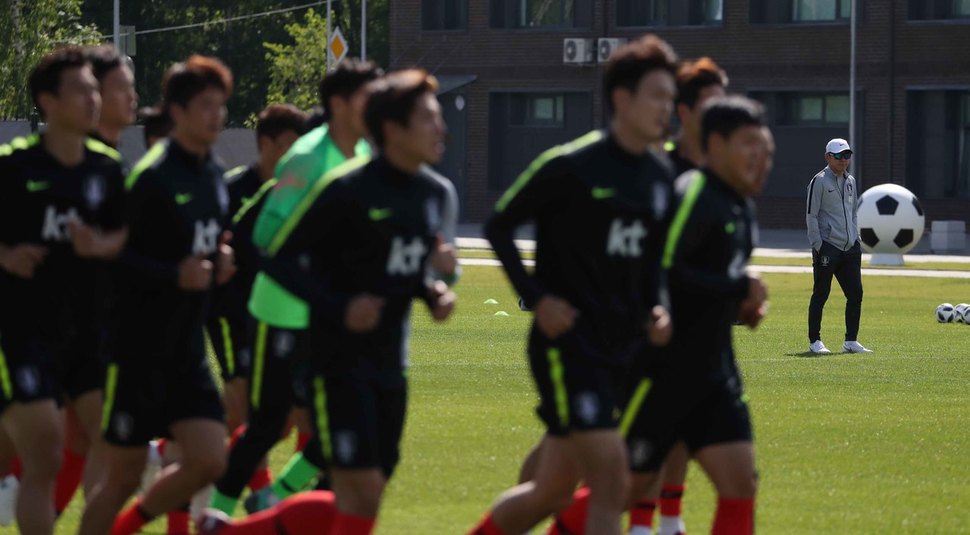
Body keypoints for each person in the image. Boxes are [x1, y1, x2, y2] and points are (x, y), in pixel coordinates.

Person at [468, 34, 676, 535]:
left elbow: (652, 262)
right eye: (657, 97)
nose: (667, 109)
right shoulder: (572, 165)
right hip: (568, 346)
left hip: (621, 348)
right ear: (622, 100)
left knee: (552, 489)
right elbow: (498, 224)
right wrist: (537, 299)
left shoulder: (659, 176)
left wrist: (658, 307)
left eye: (672, 99)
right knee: (611, 477)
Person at [259, 68, 458, 535]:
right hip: (337, 364)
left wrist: (433, 291)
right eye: (429, 119)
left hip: (392, 365)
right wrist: (339, 306)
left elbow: (399, 270)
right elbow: (278, 258)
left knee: (365, 492)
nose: (441, 129)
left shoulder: (431, 194)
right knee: (361, 491)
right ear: (392, 129)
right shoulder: (347, 189)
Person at [208, 59, 383, 517]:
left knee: (342, 429)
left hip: (330, 315)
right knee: (267, 426)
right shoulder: (307, 158)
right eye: (370, 95)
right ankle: (216, 514)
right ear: (342, 104)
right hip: (282, 312)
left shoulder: (364, 155)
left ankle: (272, 500)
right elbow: (257, 235)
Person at [79, 55, 236, 535]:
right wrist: (173, 276)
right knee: (122, 476)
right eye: (206, 105)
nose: (217, 115)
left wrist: (223, 263)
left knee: (210, 460)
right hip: (139, 354)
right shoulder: (151, 178)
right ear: (178, 111)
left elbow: (212, 245)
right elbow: (114, 262)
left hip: (187, 352)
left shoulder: (214, 174)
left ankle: (126, 528)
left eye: (221, 105)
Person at [620, 95, 771, 535]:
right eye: (749, 144)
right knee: (621, 491)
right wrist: (736, 287)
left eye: (765, 147)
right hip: (662, 374)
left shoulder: (741, 206)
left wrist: (742, 301)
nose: (760, 156)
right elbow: (662, 269)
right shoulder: (693, 194)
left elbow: (708, 278)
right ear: (716, 144)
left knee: (741, 484)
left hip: (715, 374)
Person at [0, 46, 126, 535]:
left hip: (89, 335)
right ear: (47, 101)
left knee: (112, 449)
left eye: (96, 88)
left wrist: (102, 243)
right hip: (24, 334)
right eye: (80, 90)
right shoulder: (13, 166)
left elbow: (125, 237)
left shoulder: (107, 169)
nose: (93, 98)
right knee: (46, 456)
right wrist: (5, 254)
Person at [806, 138, 871, 354]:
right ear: (828, 157)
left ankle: (850, 341)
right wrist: (818, 244)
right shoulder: (819, 181)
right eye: (839, 156)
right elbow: (811, 215)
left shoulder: (851, 180)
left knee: (856, 294)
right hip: (828, 247)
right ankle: (815, 341)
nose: (844, 160)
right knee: (821, 294)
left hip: (850, 247)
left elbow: (852, 213)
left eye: (847, 155)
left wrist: (856, 238)